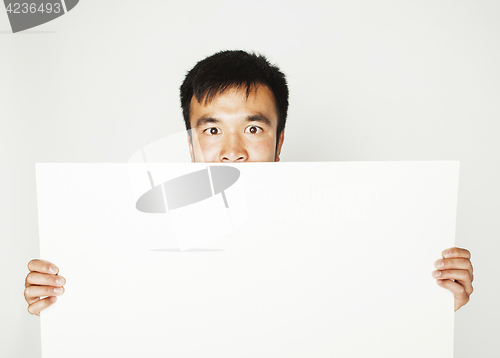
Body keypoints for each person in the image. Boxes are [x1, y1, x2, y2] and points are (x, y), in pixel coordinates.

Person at [24, 50, 474, 316]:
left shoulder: (348, 239)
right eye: (213, 129)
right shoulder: (136, 240)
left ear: (279, 142)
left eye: (254, 129)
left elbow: (367, 328)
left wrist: (432, 305)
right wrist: (61, 301)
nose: (233, 150)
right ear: (191, 143)